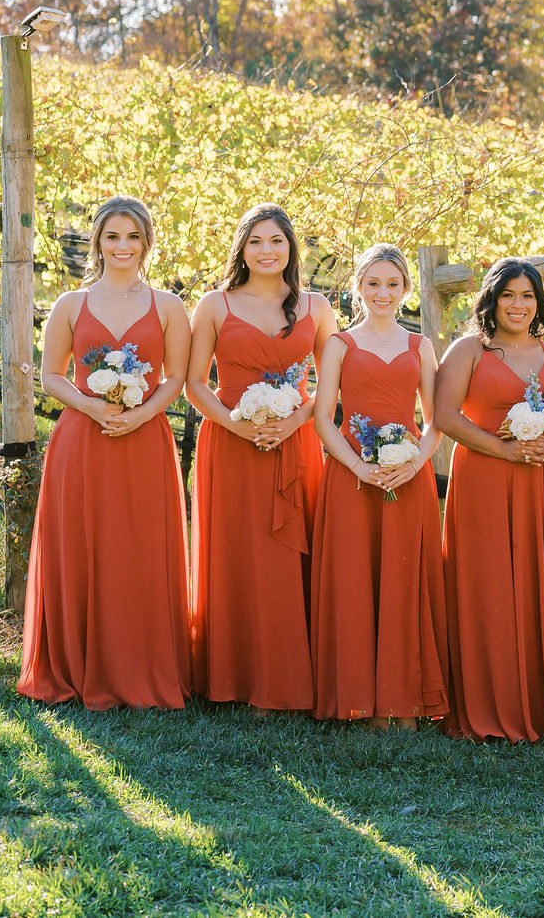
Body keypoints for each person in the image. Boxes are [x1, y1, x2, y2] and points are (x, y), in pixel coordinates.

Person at [17, 196, 193, 710]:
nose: (123, 246)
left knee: (138, 549)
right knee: (82, 545)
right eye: (113, 236)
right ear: (97, 241)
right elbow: (50, 375)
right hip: (82, 441)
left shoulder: (168, 306)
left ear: (147, 242)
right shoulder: (71, 304)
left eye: (133, 236)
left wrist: (143, 413)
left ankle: (139, 666)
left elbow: (178, 378)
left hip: (144, 440)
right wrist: (91, 406)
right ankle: (74, 665)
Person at [184, 203, 335, 711]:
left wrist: (293, 423)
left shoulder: (316, 307)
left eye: (276, 241)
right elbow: (194, 385)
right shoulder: (214, 304)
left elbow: (332, 386)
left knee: (290, 556)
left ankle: (291, 676)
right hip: (231, 444)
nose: (266, 251)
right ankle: (232, 675)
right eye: (255, 241)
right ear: (241, 249)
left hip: (295, 444)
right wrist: (238, 426)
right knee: (237, 553)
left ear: (291, 247)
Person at [435, 258, 544, 742]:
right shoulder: (469, 350)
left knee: (535, 579)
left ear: (539, 302)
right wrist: (504, 450)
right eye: (508, 295)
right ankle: (483, 701)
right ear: (492, 300)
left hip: (539, 483)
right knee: (487, 585)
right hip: (483, 480)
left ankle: (535, 699)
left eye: (528, 296)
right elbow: (445, 416)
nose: (518, 305)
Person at [310, 244, 448, 725]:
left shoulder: (420, 346)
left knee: (404, 580)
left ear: (406, 289)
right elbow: (323, 420)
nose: (382, 293)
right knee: (355, 579)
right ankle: (358, 699)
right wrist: (357, 467)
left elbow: (435, 421)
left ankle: (404, 699)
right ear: (358, 288)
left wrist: (414, 464)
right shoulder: (339, 345)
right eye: (373, 284)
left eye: (392, 284)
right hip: (352, 477)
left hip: (407, 476)